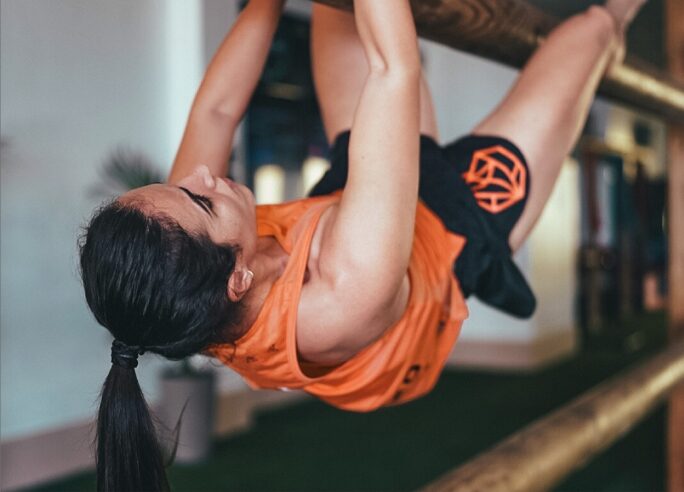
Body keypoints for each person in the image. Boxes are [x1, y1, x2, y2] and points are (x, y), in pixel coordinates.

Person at [79, 0, 645, 489]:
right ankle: (615, 27)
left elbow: (218, 110)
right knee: (590, 31)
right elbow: (391, 70)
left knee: (337, 7)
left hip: (350, 202)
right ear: (238, 278)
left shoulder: (190, 262)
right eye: (202, 201)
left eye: (182, 187)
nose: (203, 178)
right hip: (451, 238)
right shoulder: (340, 297)